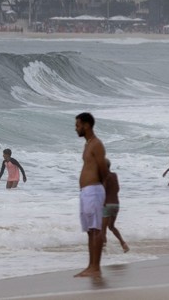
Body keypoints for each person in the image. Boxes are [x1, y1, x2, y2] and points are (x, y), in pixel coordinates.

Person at [74, 111, 108, 277]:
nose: (76, 128)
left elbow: (103, 168)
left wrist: (101, 187)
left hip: (94, 190)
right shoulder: (88, 144)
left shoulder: (97, 144)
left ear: (86, 125)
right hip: (87, 191)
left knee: (95, 229)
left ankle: (96, 267)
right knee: (90, 229)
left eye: (78, 125)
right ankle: (91, 266)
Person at [102, 158, 129, 253]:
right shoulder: (114, 175)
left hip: (107, 204)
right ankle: (123, 244)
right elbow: (117, 189)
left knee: (102, 228)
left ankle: (103, 249)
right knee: (111, 226)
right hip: (116, 204)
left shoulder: (104, 176)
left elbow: (103, 191)